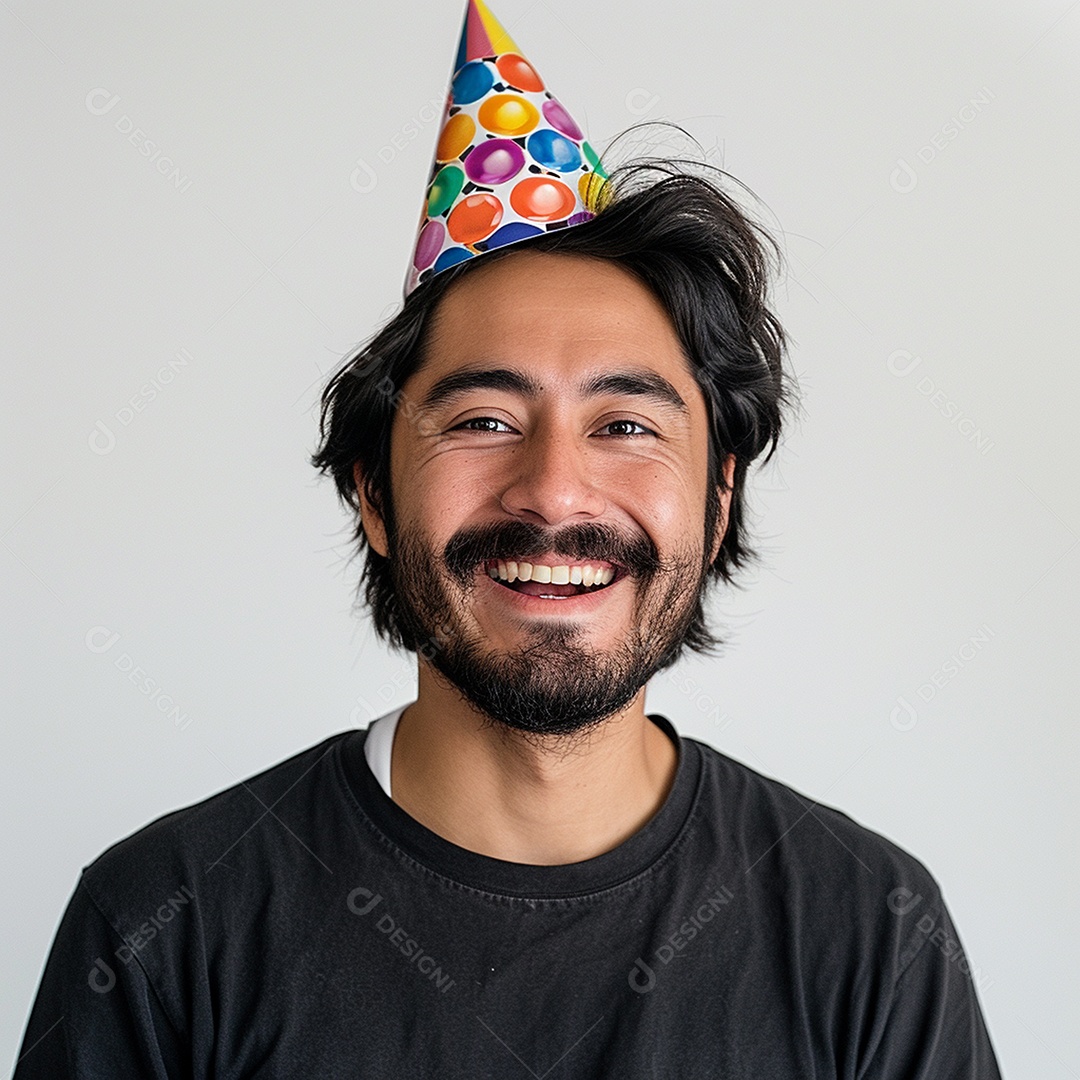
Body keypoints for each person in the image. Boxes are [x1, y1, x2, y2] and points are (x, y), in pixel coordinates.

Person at [13, 1, 1003, 1076]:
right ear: (374, 495)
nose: (553, 490)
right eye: (484, 420)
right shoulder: (165, 923)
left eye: (625, 426)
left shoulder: (870, 935)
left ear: (716, 507)